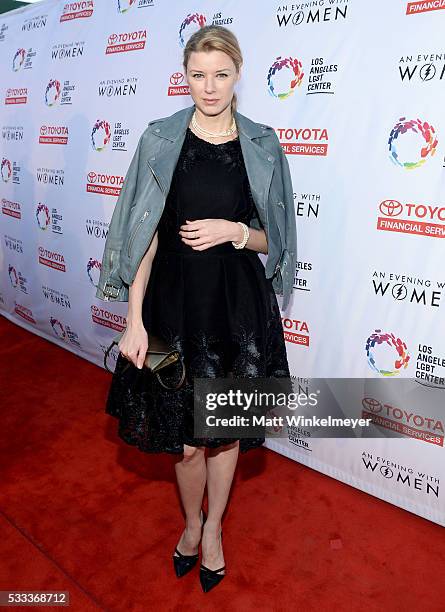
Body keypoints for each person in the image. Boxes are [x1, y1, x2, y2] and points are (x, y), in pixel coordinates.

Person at [98, 25, 297, 592]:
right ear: (184, 75)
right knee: (182, 439)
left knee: (225, 430)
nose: (209, 88)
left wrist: (236, 230)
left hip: (238, 311)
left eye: (221, 75)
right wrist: (134, 320)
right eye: (197, 75)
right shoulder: (159, 139)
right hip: (168, 311)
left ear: (238, 75)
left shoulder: (262, 143)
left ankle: (214, 532)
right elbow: (142, 238)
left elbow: (274, 242)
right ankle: (190, 524)